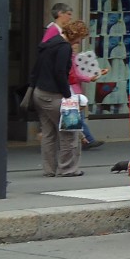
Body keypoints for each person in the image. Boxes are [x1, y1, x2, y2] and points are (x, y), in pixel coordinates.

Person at [31, 16, 84, 178]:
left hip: (39, 93)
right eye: (80, 38)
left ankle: (49, 169)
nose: (80, 42)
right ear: (75, 35)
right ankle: (68, 169)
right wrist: (68, 95)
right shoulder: (64, 48)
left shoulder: (51, 42)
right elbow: (60, 72)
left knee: (48, 133)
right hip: (54, 95)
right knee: (69, 133)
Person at [65, 19, 106, 150]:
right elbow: (73, 74)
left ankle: (85, 139)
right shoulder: (67, 52)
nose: (78, 43)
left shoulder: (69, 53)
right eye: (79, 40)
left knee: (75, 118)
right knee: (76, 118)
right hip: (70, 90)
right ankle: (86, 140)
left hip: (70, 89)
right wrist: (90, 78)